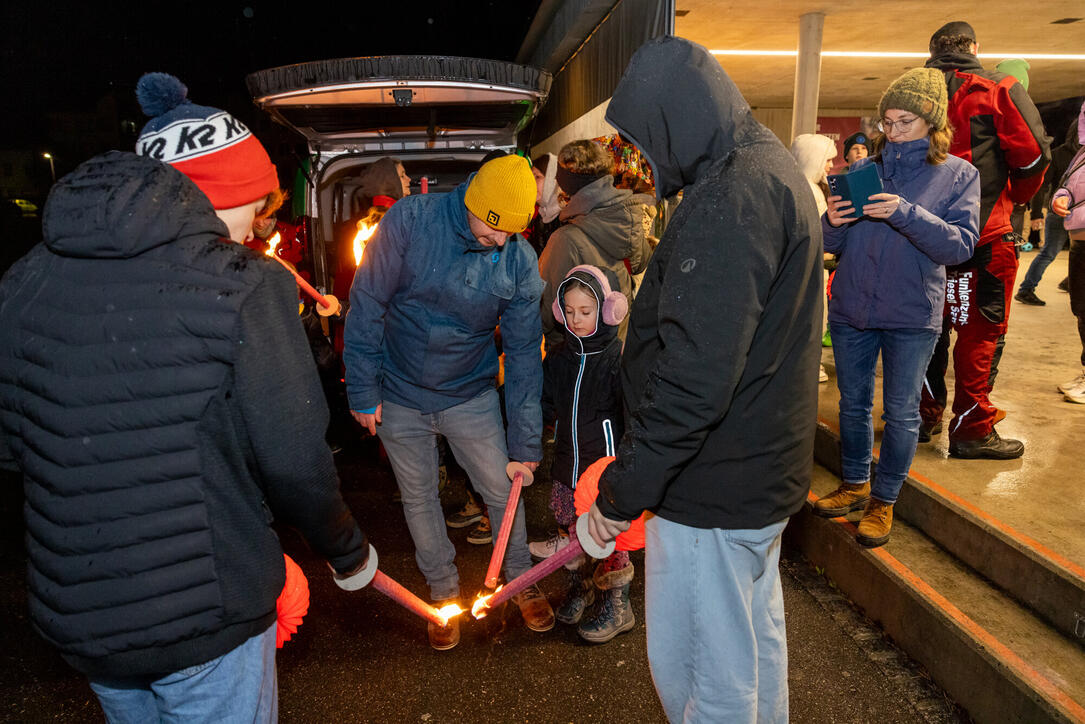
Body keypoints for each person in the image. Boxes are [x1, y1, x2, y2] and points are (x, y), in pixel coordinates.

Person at [0, 73, 371, 722]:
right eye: (253, 203)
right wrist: (345, 548)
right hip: (207, 610)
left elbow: (16, 444)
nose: (255, 225)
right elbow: (290, 456)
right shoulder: (243, 283)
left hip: (85, 612)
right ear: (210, 194)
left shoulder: (24, 280)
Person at [586, 37, 824, 722]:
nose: (640, 155)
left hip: (710, 489)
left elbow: (693, 380)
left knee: (704, 676)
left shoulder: (730, 196)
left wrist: (622, 493)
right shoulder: (769, 169)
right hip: (757, 475)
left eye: (641, 137)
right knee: (751, 645)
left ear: (673, 117)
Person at [344, 154, 553, 650]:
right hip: (397, 392)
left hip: (470, 394)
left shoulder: (519, 260)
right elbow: (368, 301)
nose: (502, 241)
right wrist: (362, 388)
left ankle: (520, 578)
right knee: (419, 497)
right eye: (496, 228)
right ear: (471, 204)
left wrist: (525, 443)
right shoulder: (412, 220)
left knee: (504, 490)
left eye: (514, 233)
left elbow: (524, 355)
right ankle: (442, 595)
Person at [813, 69, 979, 546]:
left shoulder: (959, 175)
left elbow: (960, 246)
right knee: (852, 405)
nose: (894, 131)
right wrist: (832, 221)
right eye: (887, 122)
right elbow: (828, 242)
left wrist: (905, 213)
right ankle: (853, 484)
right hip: (851, 308)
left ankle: (884, 501)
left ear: (932, 121)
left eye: (905, 121)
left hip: (911, 313)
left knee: (903, 413)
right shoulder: (862, 171)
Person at [919, 21, 1051, 459]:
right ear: (975, 47)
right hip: (984, 236)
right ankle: (971, 428)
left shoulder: (914, 89)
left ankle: (919, 417)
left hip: (920, 236)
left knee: (924, 329)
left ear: (933, 50)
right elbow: (1033, 154)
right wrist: (1012, 200)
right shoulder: (999, 86)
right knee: (981, 331)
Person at [539, 265, 634, 643]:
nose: (577, 320)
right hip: (566, 466)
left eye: (586, 311)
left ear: (607, 311)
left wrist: (624, 470)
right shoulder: (559, 359)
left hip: (603, 473)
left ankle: (617, 602)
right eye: (570, 311)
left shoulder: (618, 360)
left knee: (610, 539)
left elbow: (632, 417)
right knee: (569, 529)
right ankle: (581, 586)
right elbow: (545, 405)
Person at [538, 140, 651, 349]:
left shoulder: (565, 239)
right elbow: (641, 263)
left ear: (567, 182)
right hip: (620, 346)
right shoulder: (629, 218)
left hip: (578, 355)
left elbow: (545, 311)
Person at [790, 132, 839, 383]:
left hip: (809, 266)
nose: (830, 165)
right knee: (810, 318)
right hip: (810, 267)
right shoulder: (810, 191)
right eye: (827, 160)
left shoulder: (799, 187)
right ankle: (806, 366)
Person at [1016, 120, 1080, 306]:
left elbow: (1042, 187)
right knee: (1052, 252)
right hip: (1065, 212)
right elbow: (1042, 187)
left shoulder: (1058, 154)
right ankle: (1027, 289)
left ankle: (1030, 288)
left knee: (1050, 252)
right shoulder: (1071, 157)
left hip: (1060, 211)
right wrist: (1036, 213)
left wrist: (1038, 213)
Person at [1052, 99, 1085, 404]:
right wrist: (1060, 199)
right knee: (1081, 310)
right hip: (1079, 244)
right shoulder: (1081, 155)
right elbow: (1068, 187)